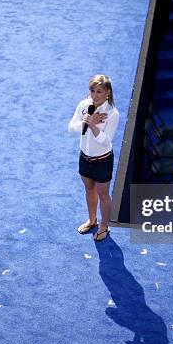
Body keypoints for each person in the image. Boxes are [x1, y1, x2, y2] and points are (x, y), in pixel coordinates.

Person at [68, 74, 120, 241]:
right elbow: (70, 128)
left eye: (99, 91)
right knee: (89, 189)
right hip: (84, 157)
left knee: (103, 194)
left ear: (108, 93)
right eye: (92, 91)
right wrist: (85, 122)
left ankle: (104, 226)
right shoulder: (84, 105)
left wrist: (93, 125)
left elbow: (106, 141)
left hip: (102, 160)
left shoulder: (112, 113)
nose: (95, 95)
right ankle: (92, 220)